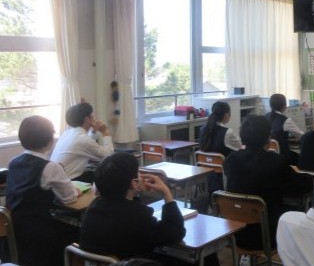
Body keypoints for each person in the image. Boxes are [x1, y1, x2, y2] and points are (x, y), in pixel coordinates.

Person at [80, 152, 218, 265]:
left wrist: (135, 193)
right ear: (133, 183)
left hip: (115, 260)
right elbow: (176, 233)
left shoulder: (93, 208)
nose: (140, 175)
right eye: (137, 173)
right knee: (205, 256)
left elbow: (128, 211)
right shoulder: (137, 215)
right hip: (136, 262)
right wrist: (166, 192)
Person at [223, 115, 313, 250]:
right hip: (268, 234)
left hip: (234, 232)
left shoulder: (230, 160)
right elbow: (303, 186)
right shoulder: (276, 161)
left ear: (242, 137)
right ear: (268, 138)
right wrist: (300, 174)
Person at [6, 115, 80, 266]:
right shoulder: (50, 167)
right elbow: (69, 198)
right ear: (50, 140)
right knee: (79, 231)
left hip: (13, 229)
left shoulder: (13, 162)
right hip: (38, 233)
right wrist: (76, 191)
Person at [50, 101, 113, 181]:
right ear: (87, 119)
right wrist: (105, 132)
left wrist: (94, 131)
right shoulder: (82, 139)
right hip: (69, 182)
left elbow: (86, 144)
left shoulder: (67, 133)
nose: (95, 117)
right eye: (92, 115)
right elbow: (109, 155)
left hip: (58, 179)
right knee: (110, 173)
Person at [198, 101, 242, 194]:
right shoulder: (228, 132)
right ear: (226, 115)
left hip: (206, 173)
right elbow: (240, 147)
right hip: (223, 175)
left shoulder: (202, 129)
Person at [266, 93, 304, 165]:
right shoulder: (286, 120)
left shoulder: (265, 116)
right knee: (300, 157)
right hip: (282, 157)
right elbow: (301, 136)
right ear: (284, 106)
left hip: (267, 157)